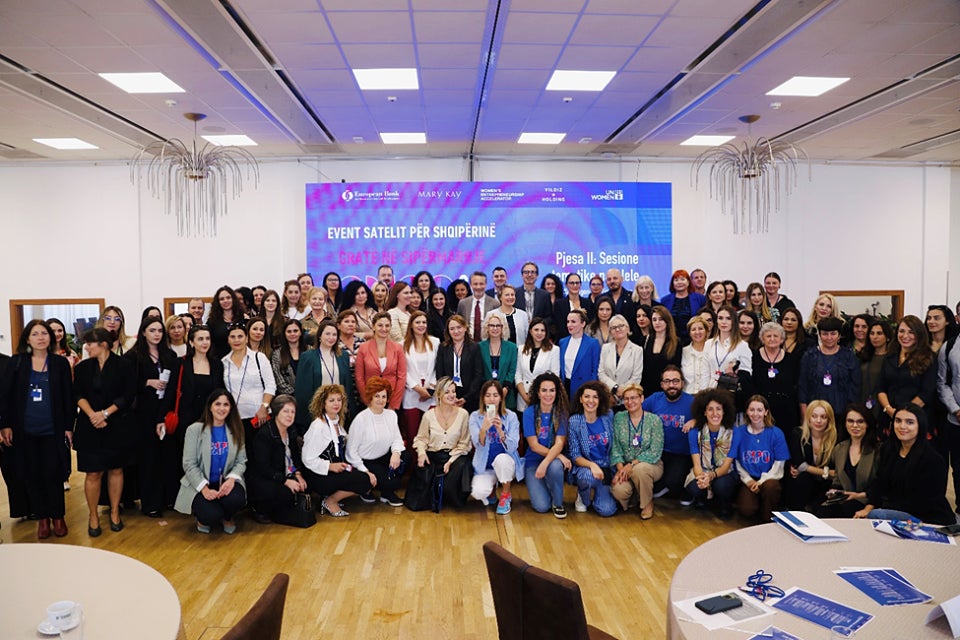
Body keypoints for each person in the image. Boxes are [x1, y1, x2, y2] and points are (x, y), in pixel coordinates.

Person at [0, 320, 74, 538]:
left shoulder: (59, 363)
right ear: (27, 338)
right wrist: (4, 424)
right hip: (25, 432)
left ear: (50, 337)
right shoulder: (17, 363)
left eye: (44, 333)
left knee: (53, 474)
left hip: (53, 431)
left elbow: (68, 398)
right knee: (33, 475)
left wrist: (69, 427)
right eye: (35, 333)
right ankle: (42, 518)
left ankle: (58, 516)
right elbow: (5, 396)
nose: (41, 337)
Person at [73, 327, 137, 536]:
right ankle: (93, 516)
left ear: (102, 344)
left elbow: (128, 395)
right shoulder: (83, 368)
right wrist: (93, 414)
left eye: (89, 344)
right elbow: (78, 394)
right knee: (93, 472)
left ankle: (115, 511)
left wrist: (105, 414)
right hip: (90, 426)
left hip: (115, 424)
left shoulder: (124, 365)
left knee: (116, 469)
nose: (86, 347)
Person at [855, 404, 955, 524]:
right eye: (898, 421)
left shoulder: (933, 459)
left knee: (877, 514)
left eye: (909, 422)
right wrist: (869, 506)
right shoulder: (888, 449)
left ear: (920, 426)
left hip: (926, 516)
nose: (902, 426)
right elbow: (879, 482)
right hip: (897, 509)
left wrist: (882, 508)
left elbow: (926, 502)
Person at [125, 315, 179, 518]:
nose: (156, 334)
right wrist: (147, 383)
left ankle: (168, 499)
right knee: (148, 459)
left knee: (167, 456)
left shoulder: (169, 355)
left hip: (164, 412)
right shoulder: (133, 357)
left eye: (159, 331)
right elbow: (127, 387)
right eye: (152, 330)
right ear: (144, 333)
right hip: (143, 414)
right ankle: (151, 503)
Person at [175, 390, 247, 534]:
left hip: (225, 482)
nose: (222, 408)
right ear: (210, 407)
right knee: (211, 515)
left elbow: (241, 461)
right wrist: (204, 489)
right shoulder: (194, 430)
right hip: (201, 484)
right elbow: (189, 464)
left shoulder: (236, 429)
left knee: (237, 499)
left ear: (231, 408)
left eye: (226, 404)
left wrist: (232, 479)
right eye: (218, 404)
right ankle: (204, 518)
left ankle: (227, 517)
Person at [300, 384, 372, 517]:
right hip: (320, 475)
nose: (336, 403)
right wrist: (330, 466)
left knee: (367, 476)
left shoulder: (337, 422)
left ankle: (330, 497)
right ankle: (330, 501)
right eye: (331, 400)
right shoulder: (318, 426)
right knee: (364, 481)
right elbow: (307, 458)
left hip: (335, 470)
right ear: (323, 403)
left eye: (339, 400)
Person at [405, 376, 472, 511]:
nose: (452, 395)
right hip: (433, 456)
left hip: (454, 458)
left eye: (453, 391)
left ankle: (448, 491)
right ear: (439, 395)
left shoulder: (463, 414)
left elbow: (464, 444)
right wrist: (422, 453)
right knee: (420, 500)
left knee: (464, 465)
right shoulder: (428, 415)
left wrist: (450, 461)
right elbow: (421, 439)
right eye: (447, 392)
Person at [246, 394, 310, 525]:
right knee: (285, 493)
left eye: (293, 412)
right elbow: (263, 468)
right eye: (285, 411)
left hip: (285, 471)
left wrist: (299, 475)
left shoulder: (291, 430)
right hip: (267, 477)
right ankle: (259, 509)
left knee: (307, 483)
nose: (289, 415)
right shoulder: (264, 435)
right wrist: (286, 481)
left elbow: (294, 457)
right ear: (276, 412)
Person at [344, 377, 408, 506]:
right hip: (366, 461)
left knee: (406, 457)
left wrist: (396, 453)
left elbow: (397, 439)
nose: (381, 400)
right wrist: (364, 471)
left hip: (383, 457)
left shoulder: (391, 415)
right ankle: (367, 488)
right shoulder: (361, 419)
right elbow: (351, 451)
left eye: (384, 396)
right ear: (370, 397)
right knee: (393, 482)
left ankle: (386, 493)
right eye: (377, 396)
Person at [730, 395, 790, 522]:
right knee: (746, 510)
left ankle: (767, 516)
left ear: (766, 412)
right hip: (749, 478)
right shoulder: (739, 432)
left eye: (759, 410)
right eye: (752, 410)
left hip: (769, 478)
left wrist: (762, 481)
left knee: (770, 488)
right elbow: (736, 461)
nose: (755, 414)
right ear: (746, 411)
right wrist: (748, 481)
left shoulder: (776, 433)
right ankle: (757, 503)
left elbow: (779, 463)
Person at [609, 382, 664, 519]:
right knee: (618, 490)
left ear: (642, 398)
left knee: (640, 470)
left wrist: (631, 465)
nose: (630, 402)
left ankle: (647, 504)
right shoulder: (619, 418)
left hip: (651, 464)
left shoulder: (654, 420)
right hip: (626, 466)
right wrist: (621, 469)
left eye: (634, 398)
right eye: (626, 399)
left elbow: (655, 452)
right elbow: (615, 447)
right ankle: (635, 497)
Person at [876, 315, 935, 439]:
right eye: (901, 331)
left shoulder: (929, 358)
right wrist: (889, 410)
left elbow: (927, 393)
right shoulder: (890, 356)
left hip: (914, 419)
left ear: (919, 334)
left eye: (911, 332)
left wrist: (902, 414)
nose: (905, 336)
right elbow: (881, 388)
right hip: (889, 417)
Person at [469, 380, 522, 515]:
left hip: (506, 463)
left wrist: (501, 431)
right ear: (483, 398)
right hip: (485, 465)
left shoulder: (511, 416)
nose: (492, 399)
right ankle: (491, 491)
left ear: (501, 397)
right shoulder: (475, 417)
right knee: (478, 492)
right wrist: (483, 429)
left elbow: (513, 446)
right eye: (488, 395)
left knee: (502, 459)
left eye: (495, 395)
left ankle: (505, 493)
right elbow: (477, 444)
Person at [222, 321, 276, 455]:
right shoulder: (223, 363)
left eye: (240, 336)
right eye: (232, 337)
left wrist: (264, 407)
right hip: (234, 419)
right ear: (228, 340)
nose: (236, 340)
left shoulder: (259, 358)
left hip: (258, 417)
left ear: (246, 338)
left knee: (260, 456)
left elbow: (271, 385)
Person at [522, 372, 571, 518]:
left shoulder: (561, 412)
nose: (548, 394)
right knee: (541, 507)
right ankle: (548, 486)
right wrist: (559, 455)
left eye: (552, 390)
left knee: (555, 465)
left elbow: (559, 442)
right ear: (537, 392)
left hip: (551, 461)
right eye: (544, 390)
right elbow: (534, 446)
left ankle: (558, 503)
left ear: (557, 393)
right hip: (533, 463)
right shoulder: (529, 412)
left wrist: (546, 462)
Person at [818, 404, 880, 518]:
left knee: (846, 509)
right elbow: (838, 480)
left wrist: (860, 496)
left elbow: (880, 483)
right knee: (822, 510)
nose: (855, 425)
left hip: (868, 500)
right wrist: (834, 491)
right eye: (850, 421)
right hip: (845, 499)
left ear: (867, 424)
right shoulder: (839, 448)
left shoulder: (878, 450)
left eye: (860, 421)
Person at [685, 389, 738, 518]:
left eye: (718, 409)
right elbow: (696, 464)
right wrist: (702, 478)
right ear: (704, 412)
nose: (715, 413)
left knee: (721, 485)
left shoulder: (734, 432)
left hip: (726, 472)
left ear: (724, 411)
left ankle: (725, 504)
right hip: (703, 470)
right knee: (694, 487)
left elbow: (726, 467)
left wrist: (711, 476)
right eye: (710, 409)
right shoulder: (694, 432)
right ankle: (702, 499)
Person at [643, 365, 693, 500]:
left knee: (674, 481)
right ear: (662, 384)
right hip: (658, 452)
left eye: (676, 381)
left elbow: (708, 419)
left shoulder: (692, 402)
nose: (671, 385)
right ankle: (664, 484)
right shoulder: (654, 399)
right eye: (667, 381)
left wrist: (696, 420)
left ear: (682, 383)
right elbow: (637, 413)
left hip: (681, 454)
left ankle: (681, 489)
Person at [569, 381, 618, 517]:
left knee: (607, 510)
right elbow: (575, 455)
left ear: (600, 399)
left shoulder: (608, 416)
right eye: (587, 396)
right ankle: (583, 496)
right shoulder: (574, 421)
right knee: (587, 477)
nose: (591, 401)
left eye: (595, 397)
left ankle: (600, 494)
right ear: (580, 399)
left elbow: (614, 447)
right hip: (586, 468)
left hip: (606, 468)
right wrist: (592, 465)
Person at [798, 317, 861, 422]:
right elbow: (803, 387)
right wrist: (805, 416)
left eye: (833, 334)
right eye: (825, 334)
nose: (829, 337)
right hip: (815, 415)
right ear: (819, 335)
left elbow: (855, 387)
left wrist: (851, 415)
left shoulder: (848, 356)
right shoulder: (809, 356)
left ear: (839, 335)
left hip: (842, 413)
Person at [296, 319, 355, 428]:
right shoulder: (308, 357)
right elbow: (303, 391)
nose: (331, 337)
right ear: (319, 336)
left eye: (334, 334)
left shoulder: (343, 356)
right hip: (317, 412)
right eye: (327, 334)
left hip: (338, 410)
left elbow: (348, 386)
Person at [786, 400, 837, 511]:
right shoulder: (798, 434)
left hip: (824, 485)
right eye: (814, 416)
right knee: (804, 478)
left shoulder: (835, 438)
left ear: (829, 420)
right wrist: (826, 472)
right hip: (804, 483)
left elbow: (837, 472)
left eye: (823, 417)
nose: (818, 421)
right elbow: (800, 466)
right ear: (808, 417)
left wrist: (810, 469)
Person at [751, 322, 801, 435]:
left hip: (786, 409)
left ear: (782, 339)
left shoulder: (791, 359)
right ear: (762, 339)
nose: (772, 339)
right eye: (768, 336)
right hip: (760, 410)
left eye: (775, 336)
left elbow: (796, 384)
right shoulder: (754, 357)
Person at [401, 311, 439, 446]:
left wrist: (429, 390)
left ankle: (430, 466)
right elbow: (402, 370)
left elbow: (438, 367)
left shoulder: (435, 342)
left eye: (424, 322)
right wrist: (417, 389)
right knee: (413, 436)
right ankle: (414, 466)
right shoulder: (402, 344)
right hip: (412, 395)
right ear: (411, 324)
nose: (421, 325)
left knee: (432, 435)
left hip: (431, 395)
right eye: (417, 322)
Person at [354, 312, 405, 412]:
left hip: (391, 400)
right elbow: (359, 377)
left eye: (387, 325)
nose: (384, 329)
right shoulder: (363, 348)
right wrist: (367, 400)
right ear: (373, 326)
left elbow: (401, 377)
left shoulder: (398, 348)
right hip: (370, 400)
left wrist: (393, 404)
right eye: (380, 325)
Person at [435, 314, 484, 411]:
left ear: (465, 328)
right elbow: (439, 373)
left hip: (470, 396)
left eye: (459, 327)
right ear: (448, 331)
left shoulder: (474, 347)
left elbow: (478, 375)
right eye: (452, 329)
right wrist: (449, 395)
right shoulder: (443, 347)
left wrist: (466, 398)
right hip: (448, 395)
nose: (456, 331)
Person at [516, 317, 561, 413]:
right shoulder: (521, 349)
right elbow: (518, 375)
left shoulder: (554, 350)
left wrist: (540, 396)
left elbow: (555, 376)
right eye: (536, 330)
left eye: (542, 330)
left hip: (544, 398)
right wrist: (526, 397)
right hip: (523, 399)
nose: (539, 333)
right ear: (530, 331)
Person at [937, 322, 960, 511]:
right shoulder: (949, 346)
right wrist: (956, 409)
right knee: (958, 469)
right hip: (956, 420)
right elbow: (942, 382)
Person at [598, 314, 643, 409]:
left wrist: (623, 391)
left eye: (621, 326)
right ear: (610, 332)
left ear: (627, 328)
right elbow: (601, 373)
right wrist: (614, 388)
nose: (617, 329)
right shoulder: (605, 348)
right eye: (614, 327)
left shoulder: (637, 350)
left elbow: (636, 377)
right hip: (608, 398)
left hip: (628, 400)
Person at [640, 305, 682, 398]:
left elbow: (677, 367)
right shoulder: (645, 340)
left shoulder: (676, 342)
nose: (657, 323)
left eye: (661, 319)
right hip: (648, 390)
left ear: (667, 321)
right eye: (654, 320)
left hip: (667, 390)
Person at [559, 309, 601, 399]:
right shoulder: (562, 342)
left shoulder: (592, 343)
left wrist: (590, 390)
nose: (569, 325)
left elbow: (595, 369)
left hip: (583, 388)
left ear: (583, 324)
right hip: (564, 387)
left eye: (573, 322)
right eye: (568, 321)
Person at [479, 314, 518, 410]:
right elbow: (479, 371)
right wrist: (488, 391)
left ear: (503, 328)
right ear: (486, 328)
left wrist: (504, 389)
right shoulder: (479, 347)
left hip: (506, 395)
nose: (495, 328)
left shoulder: (512, 347)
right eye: (491, 325)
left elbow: (512, 370)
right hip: (486, 395)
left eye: (498, 325)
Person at [859, 318, 892, 421]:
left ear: (887, 337)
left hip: (884, 406)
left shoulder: (892, 358)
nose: (875, 337)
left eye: (879, 333)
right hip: (863, 401)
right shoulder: (863, 356)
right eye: (872, 333)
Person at [659, 270, 705, 342]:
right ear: (672, 283)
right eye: (676, 280)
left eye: (682, 279)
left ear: (688, 282)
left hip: (694, 339)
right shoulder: (665, 300)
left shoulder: (700, 299)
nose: (679, 282)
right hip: (672, 340)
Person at [457, 271, 498, 342]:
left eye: (481, 284)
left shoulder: (494, 303)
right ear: (471, 285)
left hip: (488, 344)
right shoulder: (463, 303)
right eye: (475, 284)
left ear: (486, 284)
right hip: (468, 344)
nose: (478, 287)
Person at [553, 272, 594, 339]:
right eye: (572, 283)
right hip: (566, 340)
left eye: (577, 283)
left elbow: (590, 324)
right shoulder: (559, 304)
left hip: (585, 340)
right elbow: (559, 326)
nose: (575, 285)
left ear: (580, 285)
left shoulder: (588, 303)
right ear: (566, 285)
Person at [271, 319, 305, 396]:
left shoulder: (310, 350)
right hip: (287, 398)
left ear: (301, 333)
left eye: (295, 331)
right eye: (289, 331)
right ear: (284, 334)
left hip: (309, 396)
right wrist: (294, 394)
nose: (292, 334)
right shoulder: (277, 354)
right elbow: (279, 381)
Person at [207, 286, 242, 359]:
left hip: (241, 359)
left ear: (233, 299)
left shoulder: (243, 318)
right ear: (218, 302)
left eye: (228, 298)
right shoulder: (212, 321)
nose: (225, 301)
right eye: (222, 299)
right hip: (219, 360)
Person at [681, 316, 712, 394]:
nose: (697, 332)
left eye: (701, 328)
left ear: (707, 331)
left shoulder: (713, 351)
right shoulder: (683, 352)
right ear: (689, 333)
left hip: (708, 398)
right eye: (693, 329)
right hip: (687, 397)